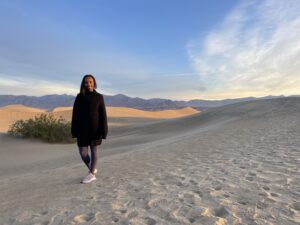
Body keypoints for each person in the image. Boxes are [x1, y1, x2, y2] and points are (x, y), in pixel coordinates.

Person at [71, 74, 108, 184]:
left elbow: (103, 115)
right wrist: (74, 129)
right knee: (83, 152)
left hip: (95, 129)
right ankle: (92, 166)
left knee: (94, 151)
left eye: (91, 82)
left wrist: (104, 130)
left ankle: (92, 174)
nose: (89, 84)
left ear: (94, 83)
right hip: (82, 129)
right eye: (86, 82)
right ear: (83, 84)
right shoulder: (79, 97)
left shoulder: (99, 97)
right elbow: (75, 114)